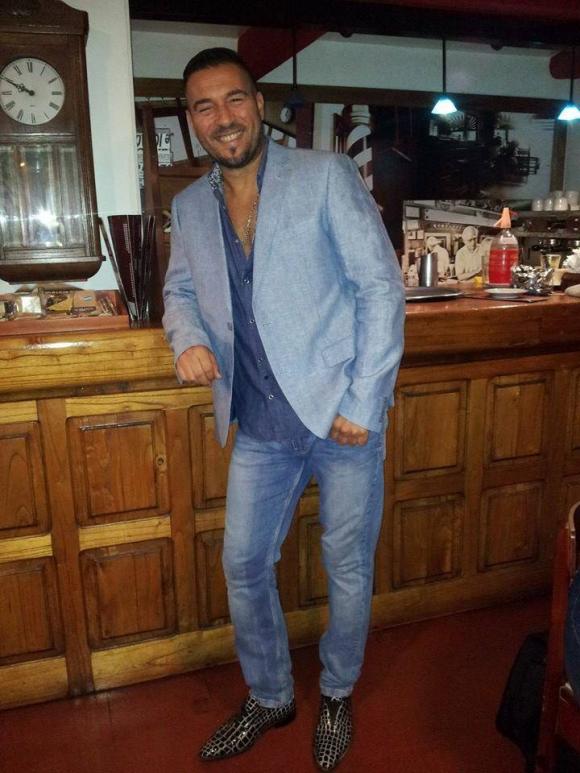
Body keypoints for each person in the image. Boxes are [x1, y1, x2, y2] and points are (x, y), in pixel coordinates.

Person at [162, 47, 405, 772]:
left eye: (233, 99)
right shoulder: (188, 207)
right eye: (204, 106)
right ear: (191, 120)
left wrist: (365, 399)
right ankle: (270, 695)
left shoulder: (323, 175)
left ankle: (336, 691)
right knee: (243, 562)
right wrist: (185, 339)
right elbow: (180, 292)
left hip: (340, 417)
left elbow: (380, 287)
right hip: (261, 422)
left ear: (258, 105)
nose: (222, 117)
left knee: (346, 564)